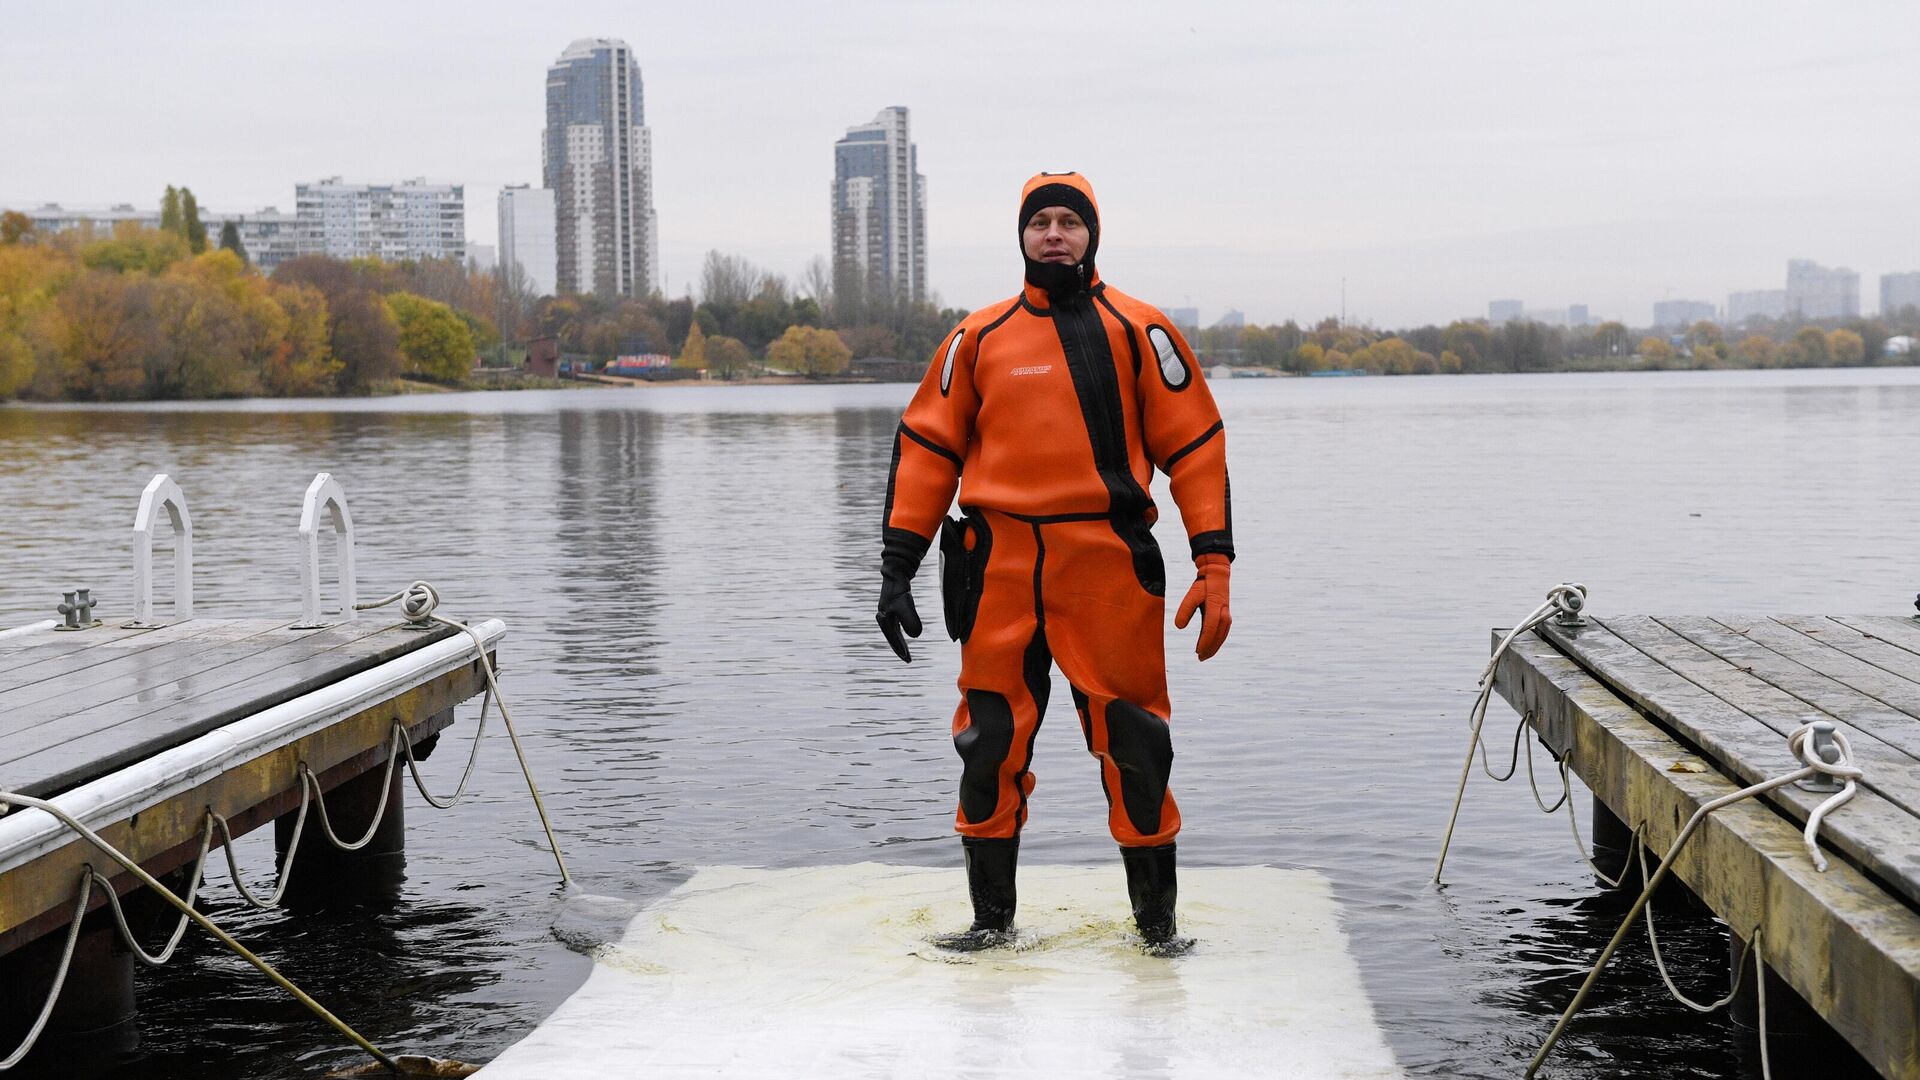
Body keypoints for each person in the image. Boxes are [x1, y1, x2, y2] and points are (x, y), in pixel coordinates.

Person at [876, 171, 1234, 955]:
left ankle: (1158, 934)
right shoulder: (978, 338)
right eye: (1040, 222)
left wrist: (1216, 566)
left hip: (1107, 565)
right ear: (1023, 237)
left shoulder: (1140, 331)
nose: (1054, 234)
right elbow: (928, 449)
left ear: (1092, 235)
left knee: (1136, 747)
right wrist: (895, 568)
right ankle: (990, 926)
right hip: (998, 566)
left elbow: (1197, 448)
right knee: (988, 747)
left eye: (1070, 221)